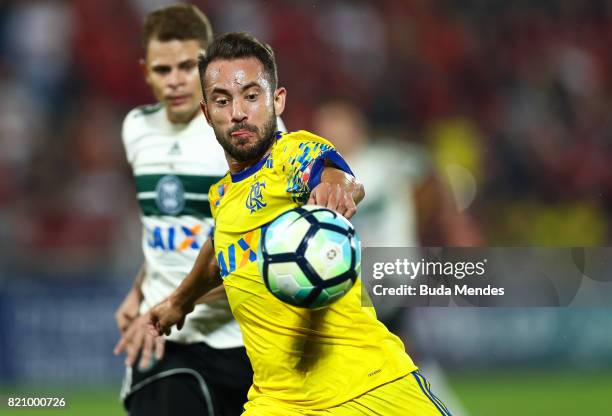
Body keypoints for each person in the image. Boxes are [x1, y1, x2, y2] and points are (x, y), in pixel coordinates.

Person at [147, 32, 453, 416]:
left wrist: (335, 193)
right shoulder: (223, 198)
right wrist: (179, 301)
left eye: (252, 96)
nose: (238, 112)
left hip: (372, 386)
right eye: (223, 100)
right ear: (208, 113)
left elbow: (335, 176)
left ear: (277, 100)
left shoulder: (292, 154)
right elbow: (220, 256)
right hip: (279, 403)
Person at [113, 5, 276, 416]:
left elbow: (264, 248)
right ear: (145, 71)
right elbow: (163, 231)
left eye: (188, 66)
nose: (175, 81)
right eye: (162, 70)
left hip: (245, 337)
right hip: (165, 339)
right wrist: (137, 292)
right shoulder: (136, 128)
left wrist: (178, 301)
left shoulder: (244, 132)